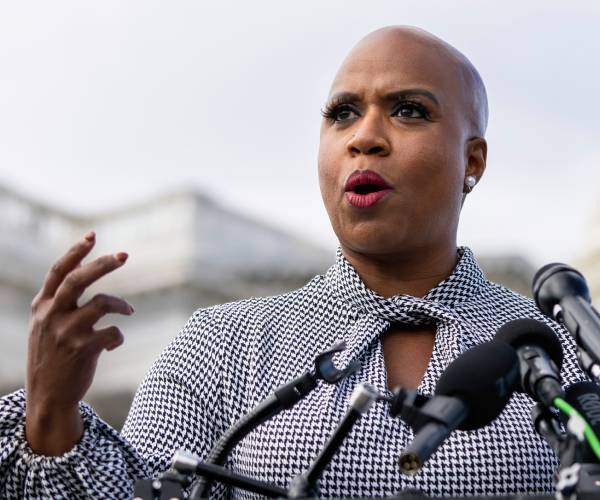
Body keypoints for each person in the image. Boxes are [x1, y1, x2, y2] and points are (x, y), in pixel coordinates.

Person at [0, 26, 586, 498]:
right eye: (342, 114)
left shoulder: (562, 348)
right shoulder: (219, 346)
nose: (366, 138)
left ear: (472, 160)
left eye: (408, 111)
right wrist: (52, 418)